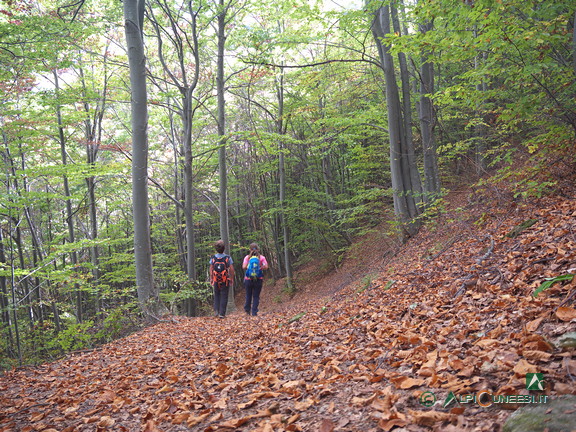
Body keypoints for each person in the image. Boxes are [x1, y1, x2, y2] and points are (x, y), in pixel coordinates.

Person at [209, 240, 234, 318]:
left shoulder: (213, 258)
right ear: (224, 248)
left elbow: (211, 268)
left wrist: (211, 278)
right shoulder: (227, 257)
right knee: (224, 295)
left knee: (216, 295)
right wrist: (231, 278)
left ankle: (216, 311)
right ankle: (222, 313)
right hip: (225, 280)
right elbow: (232, 269)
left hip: (216, 280)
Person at [242, 243, 269, 316]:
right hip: (258, 278)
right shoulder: (261, 257)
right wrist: (260, 267)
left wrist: (249, 267)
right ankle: (254, 312)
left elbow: (244, 267)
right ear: (258, 249)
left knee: (248, 295)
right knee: (256, 296)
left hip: (248, 279)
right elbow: (266, 266)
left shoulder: (247, 257)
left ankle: (247, 310)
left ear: (250, 249)